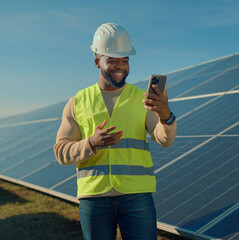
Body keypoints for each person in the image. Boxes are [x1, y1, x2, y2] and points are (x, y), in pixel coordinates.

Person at [54, 23, 177, 240]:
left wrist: (166, 116)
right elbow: (61, 152)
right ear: (97, 61)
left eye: (125, 60)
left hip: (137, 196)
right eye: (112, 60)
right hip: (93, 198)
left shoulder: (142, 98)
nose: (120, 66)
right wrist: (90, 143)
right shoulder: (78, 102)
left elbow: (164, 140)